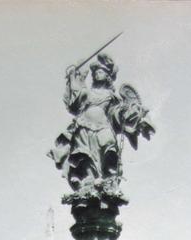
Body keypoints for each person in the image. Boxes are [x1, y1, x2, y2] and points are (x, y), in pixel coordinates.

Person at [49, 52, 154, 193]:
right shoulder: (87, 91)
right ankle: (89, 181)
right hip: (83, 127)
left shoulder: (111, 96)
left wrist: (130, 115)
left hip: (103, 126)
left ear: (108, 76)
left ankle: (107, 180)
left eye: (101, 71)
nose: (97, 74)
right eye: (96, 72)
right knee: (85, 156)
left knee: (108, 146)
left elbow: (116, 113)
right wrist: (73, 77)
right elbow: (74, 102)